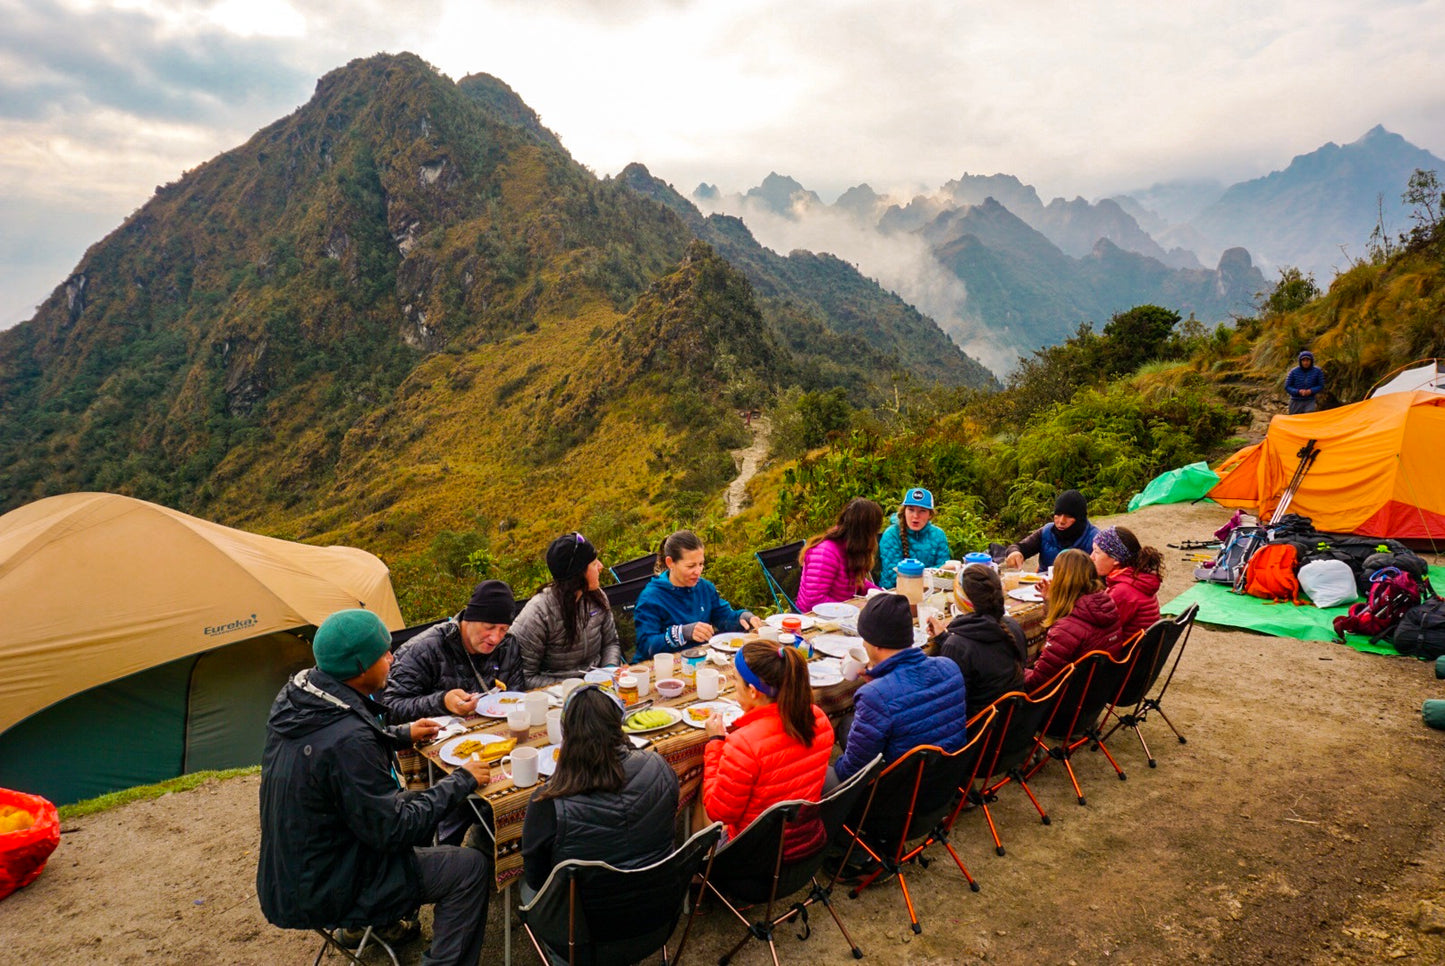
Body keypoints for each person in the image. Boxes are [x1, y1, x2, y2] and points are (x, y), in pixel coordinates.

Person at [257, 609, 491, 966]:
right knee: (469, 867)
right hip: (330, 884)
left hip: (291, 873)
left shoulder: (302, 700)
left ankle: (374, 926)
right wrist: (464, 779)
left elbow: (341, 742)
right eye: (384, 654)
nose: (392, 658)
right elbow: (394, 828)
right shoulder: (348, 742)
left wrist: (399, 733)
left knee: (414, 805)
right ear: (361, 667)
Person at [519, 686, 679, 899]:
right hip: (659, 906)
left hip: (582, 923)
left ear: (566, 733)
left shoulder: (548, 800)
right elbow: (669, 827)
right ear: (619, 725)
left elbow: (536, 879)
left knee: (524, 887)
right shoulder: (658, 765)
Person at [702, 642, 833, 846]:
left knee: (705, 793)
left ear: (753, 692)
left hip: (756, 856)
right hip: (806, 843)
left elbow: (718, 813)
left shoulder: (743, 744)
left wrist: (715, 743)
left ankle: (699, 871)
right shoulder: (818, 717)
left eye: (736, 680)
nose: (734, 686)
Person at [831, 592, 969, 784]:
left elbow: (851, 773)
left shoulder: (875, 697)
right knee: (852, 725)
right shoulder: (950, 667)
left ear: (876, 643)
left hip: (898, 798)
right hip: (947, 784)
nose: (863, 643)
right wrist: (877, 683)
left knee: (823, 773)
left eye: (864, 638)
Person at [381, 579, 524, 723]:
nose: (495, 638)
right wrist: (442, 702)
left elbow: (517, 697)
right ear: (469, 619)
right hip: (439, 737)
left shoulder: (508, 644)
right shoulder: (423, 650)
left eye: (503, 629)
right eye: (489, 627)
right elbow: (390, 709)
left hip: (495, 730)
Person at [514, 532, 623, 688]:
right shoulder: (538, 613)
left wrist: (609, 671)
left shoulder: (597, 597)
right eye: (593, 564)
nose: (600, 566)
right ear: (577, 574)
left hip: (599, 688)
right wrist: (576, 687)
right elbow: (525, 676)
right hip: (555, 698)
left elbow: (611, 643)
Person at [633, 530, 761, 660]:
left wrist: (742, 617)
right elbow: (646, 646)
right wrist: (681, 633)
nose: (698, 571)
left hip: (699, 659)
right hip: (662, 666)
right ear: (670, 563)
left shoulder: (704, 587)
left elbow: (723, 617)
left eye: (701, 564)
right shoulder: (651, 598)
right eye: (691, 566)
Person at [926, 564, 1027, 720]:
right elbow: (980, 655)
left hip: (979, 735)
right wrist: (943, 638)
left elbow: (950, 709)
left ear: (961, 598)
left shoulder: (957, 646)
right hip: (1012, 726)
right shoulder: (1011, 625)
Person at [1024, 549, 1123, 691]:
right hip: (1095, 692)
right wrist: (1050, 602)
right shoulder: (1105, 606)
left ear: (1061, 580)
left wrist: (1012, 670)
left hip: (1065, 701)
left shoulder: (1066, 629)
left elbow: (1038, 683)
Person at [795, 498, 883, 612]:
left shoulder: (850, 548)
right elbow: (813, 601)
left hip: (839, 615)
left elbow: (857, 582)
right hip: (813, 619)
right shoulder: (825, 552)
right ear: (865, 533)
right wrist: (852, 609)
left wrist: (882, 596)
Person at [1092, 525, 1165, 640]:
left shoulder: (1123, 591)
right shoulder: (1137, 578)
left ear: (1116, 559)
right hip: (1142, 652)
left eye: (1096, 552)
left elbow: (1096, 631)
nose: (1091, 557)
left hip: (1126, 656)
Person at [1003, 490, 1099, 573]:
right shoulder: (1047, 531)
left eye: (1068, 516)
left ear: (1080, 518)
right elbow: (1020, 547)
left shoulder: (1095, 539)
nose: (1061, 521)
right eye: (1058, 514)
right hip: (1041, 587)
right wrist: (1014, 552)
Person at [877, 487, 952, 589]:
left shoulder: (938, 535)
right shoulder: (891, 535)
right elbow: (893, 576)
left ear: (930, 514)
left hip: (931, 593)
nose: (915, 516)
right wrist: (932, 573)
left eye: (922, 511)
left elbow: (943, 574)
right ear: (904, 511)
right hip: (894, 594)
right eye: (911, 510)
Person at [1285, 349, 1325, 414]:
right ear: (1300, 361)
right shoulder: (1293, 372)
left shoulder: (1318, 371)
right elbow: (1287, 386)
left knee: (1308, 419)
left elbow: (1321, 385)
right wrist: (1298, 391)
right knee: (1295, 420)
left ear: (1311, 361)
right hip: (1295, 400)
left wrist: (1311, 391)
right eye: (1303, 360)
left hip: (1310, 400)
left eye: (1307, 360)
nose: (1305, 362)